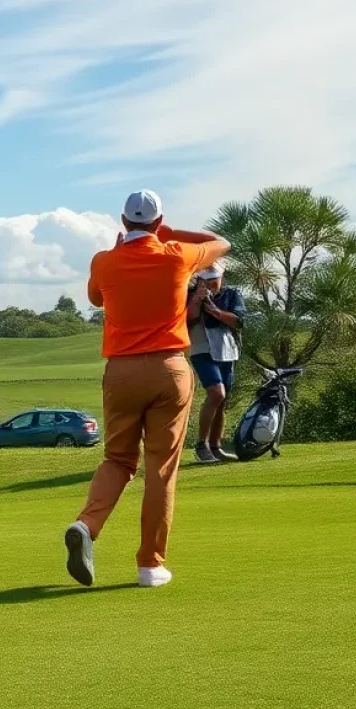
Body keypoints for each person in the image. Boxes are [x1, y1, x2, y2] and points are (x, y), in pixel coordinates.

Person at [64, 191, 229, 589]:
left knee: (118, 460)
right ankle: (150, 565)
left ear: (123, 221)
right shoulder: (176, 254)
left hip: (120, 373)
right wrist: (168, 232)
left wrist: (126, 248)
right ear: (159, 222)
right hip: (169, 369)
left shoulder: (104, 260)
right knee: (160, 469)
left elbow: (95, 297)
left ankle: (87, 525)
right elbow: (221, 242)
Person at [188, 263, 246, 464]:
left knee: (222, 401)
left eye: (214, 279)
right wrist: (196, 300)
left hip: (226, 351)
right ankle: (201, 445)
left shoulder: (231, 295)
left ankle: (215, 446)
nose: (211, 284)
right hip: (201, 349)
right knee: (216, 393)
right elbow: (187, 320)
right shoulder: (189, 294)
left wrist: (217, 312)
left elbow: (239, 321)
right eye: (206, 280)